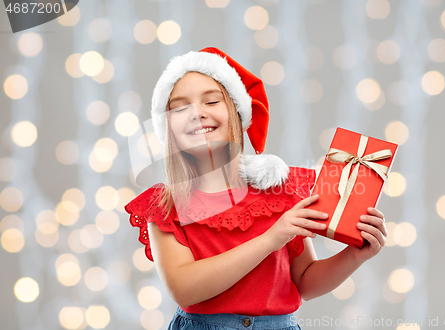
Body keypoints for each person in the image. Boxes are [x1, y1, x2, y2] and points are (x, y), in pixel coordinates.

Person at [125, 47, 388, 330]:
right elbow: (185, 289)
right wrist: (270, 239)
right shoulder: (165, 205)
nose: (197, 113)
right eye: (179, 107)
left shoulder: (279, 191)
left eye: (211, 101)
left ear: (237, 113)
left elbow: (306, 283)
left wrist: (353, 256)